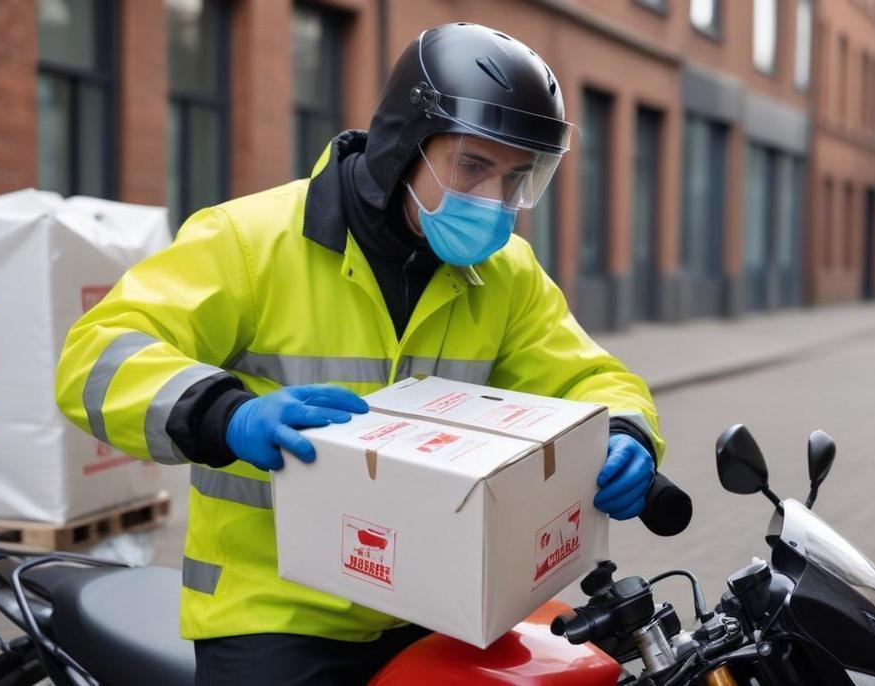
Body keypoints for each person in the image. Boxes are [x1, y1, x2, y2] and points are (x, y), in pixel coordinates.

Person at [54, 23, 664, 685]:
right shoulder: (252, 242)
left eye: (517, 177)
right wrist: (225, 416)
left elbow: (589, 374)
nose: (493, 202)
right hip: (276, 613)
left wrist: (625, 432)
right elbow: (96, 354)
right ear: (404, 145)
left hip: (438, 597)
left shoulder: (505, 274)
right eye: (473, 167)